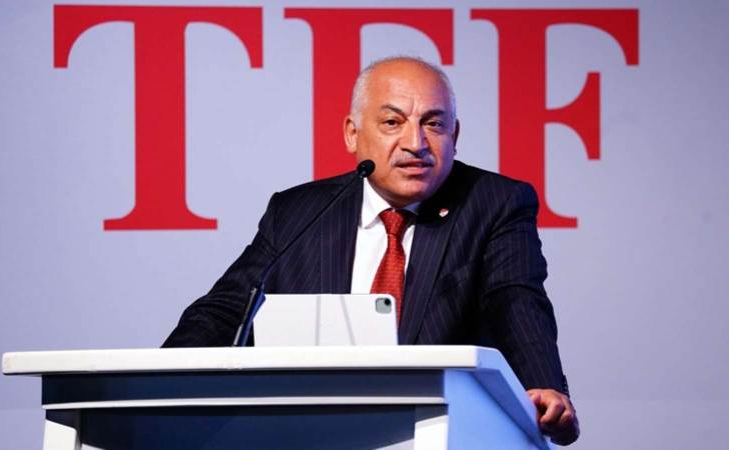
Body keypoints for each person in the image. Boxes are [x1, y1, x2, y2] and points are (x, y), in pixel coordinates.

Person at [164, 56, 580, 445]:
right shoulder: (299, 211)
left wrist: (543, 384)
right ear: (352, 133)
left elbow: (514, 297)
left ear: (455, 136)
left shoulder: (494, 203)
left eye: (434, 124)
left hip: (440, 433)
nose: (415, 142)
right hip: (312, 432)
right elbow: (227, 310)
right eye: (392, 122)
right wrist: (159, 381)